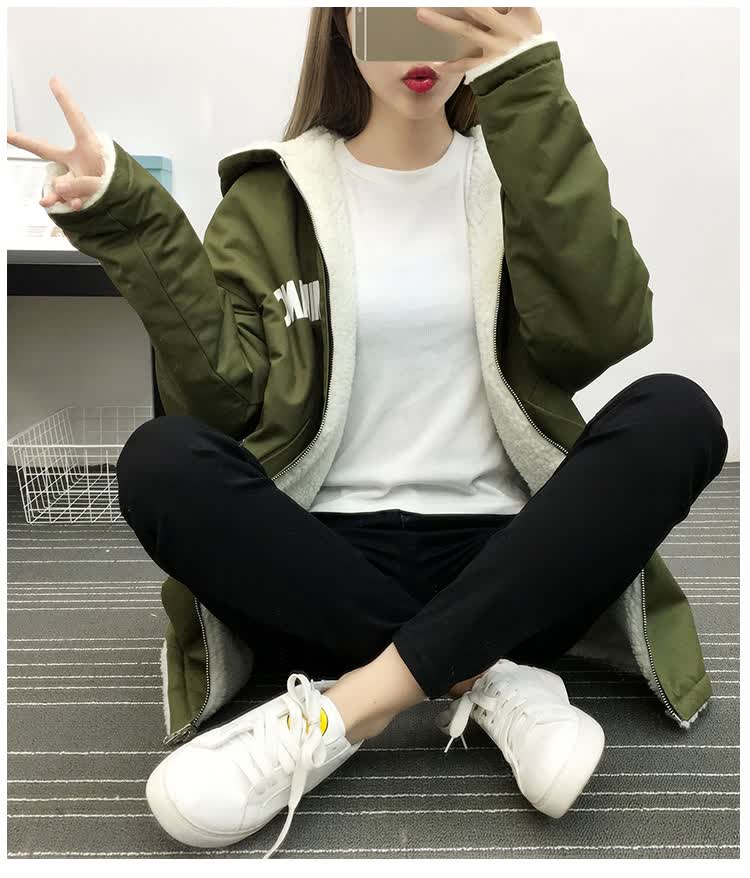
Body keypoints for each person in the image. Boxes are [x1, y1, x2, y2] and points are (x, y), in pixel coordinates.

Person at [9, 6, 728, 861]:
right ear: (344, 27)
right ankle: (483, 678)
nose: (419, 40)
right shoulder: (271, 196)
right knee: (160, 459)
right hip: (320, 569)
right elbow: (223, 402)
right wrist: (131, 217)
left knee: (678, 414)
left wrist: (529, 84)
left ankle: (348, 705)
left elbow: (602, 333)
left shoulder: (519, 174)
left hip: (511, 563)